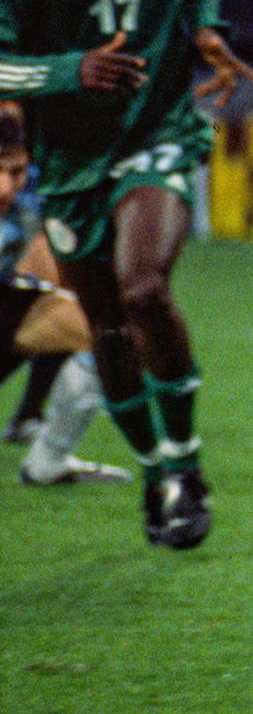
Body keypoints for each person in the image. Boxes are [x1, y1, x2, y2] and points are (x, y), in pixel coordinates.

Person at [0, 0, 253, 546]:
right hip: (72, 158)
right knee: (106, 326)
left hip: (157, 131)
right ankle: (155, 469)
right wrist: (69, 70)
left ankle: (185, 465)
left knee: (146, 289)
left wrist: (208, 25)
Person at [0, 108, 116, 485]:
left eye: (16, 173)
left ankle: (48, 457)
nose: (5, 187)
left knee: (105, 329)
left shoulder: (24, 208)